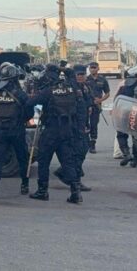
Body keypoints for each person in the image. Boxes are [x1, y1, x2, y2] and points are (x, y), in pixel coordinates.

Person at [27, 64, 86, 203]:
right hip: (67, 131)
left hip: (51, 132)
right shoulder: (71, 88)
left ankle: (42, 191)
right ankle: (76, 193)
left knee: (43, 161)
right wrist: (62, 69)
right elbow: (71, 75)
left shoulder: (48, 91)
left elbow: (30, 103)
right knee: (68, 162)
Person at [0, 64, 32, 198]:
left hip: (0, 131)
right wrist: (21, 120)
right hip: (17, 130)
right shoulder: (20, 94)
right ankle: (24, 185)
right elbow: (29, 112)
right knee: (22, 158)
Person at [55, 64, 93, 192]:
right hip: (73, 127)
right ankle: (75, 180)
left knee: (82, 151)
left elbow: (89, 103)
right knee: (77, 154)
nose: (81, 77)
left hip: (82, 125)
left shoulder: (85, 88)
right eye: (78, 75)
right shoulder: (69, 88)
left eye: (83, 74)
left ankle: (66, 172)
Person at [115, 65, 137, 168]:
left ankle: (127, 154)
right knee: (136, 137)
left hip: (124, 114)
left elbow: (117, 101)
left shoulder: (123, 87)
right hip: (136, 115)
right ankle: (136, 159)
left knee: (121, 134)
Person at [86, 62, 109, 153]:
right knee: (85, 124)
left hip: (96, 106)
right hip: (86, 106)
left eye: (94, 67)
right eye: (91, 67)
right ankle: (86, 142)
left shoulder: (102, 80)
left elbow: (107, 93)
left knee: (94, 125)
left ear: (98, 68)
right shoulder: (86, 79)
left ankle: (92, 144)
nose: (92, 69)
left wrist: (100, 100)